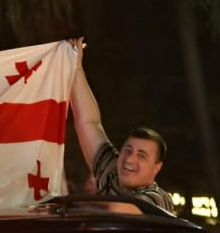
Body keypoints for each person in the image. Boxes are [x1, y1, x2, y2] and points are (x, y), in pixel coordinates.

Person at [69, 37, 174, 213]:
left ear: (157, 167)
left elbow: (118, 211)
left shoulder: (157, 198)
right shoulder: (111, 171)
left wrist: (68, 202)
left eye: (142, 155)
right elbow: (88, 122)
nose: (129, 159)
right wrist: (75, 67)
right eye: (127, 150)